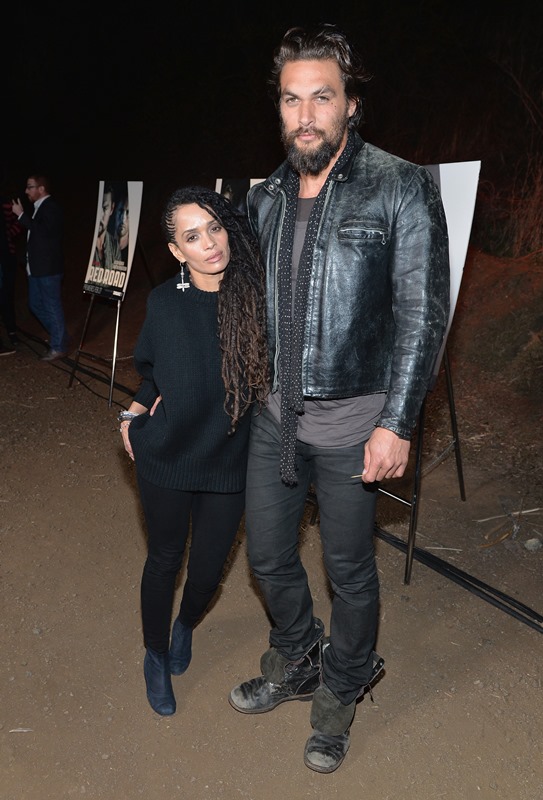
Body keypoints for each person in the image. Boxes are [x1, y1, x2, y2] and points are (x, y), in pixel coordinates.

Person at [228, 24, 450, 774]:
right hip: (274, 417)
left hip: (358, 425)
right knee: (266, 556)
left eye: (322, 96)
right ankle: (296, 658)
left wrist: (397, 422)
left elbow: (423, 313)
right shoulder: (263, 195)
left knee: (349, 573)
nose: (306, 115)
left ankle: (342, 688)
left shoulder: (401, 184)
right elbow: (237, 309)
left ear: (351, 104)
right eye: (291, 100)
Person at [119, 186, 269, 716]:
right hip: (168, 457)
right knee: (164, 560)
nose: (210, 244)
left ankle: (186, 624)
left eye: (215, 228)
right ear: (177, 251)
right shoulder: (163, 303)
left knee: (206, 571)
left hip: (229, 461)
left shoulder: (256, 298)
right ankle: (155, 655)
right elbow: (152, 373)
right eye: (192, 237)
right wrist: (131, 414)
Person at [11, 175, 69, 361]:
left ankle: (59, 346)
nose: (26, 191)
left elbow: (43, 233)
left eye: (30, 187)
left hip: (48, 269)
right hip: (36, 269)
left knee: (52, 306)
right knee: (35, 304)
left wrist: (21, 215)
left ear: (41, 189)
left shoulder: (51, 207)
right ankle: (60, 336)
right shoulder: (39, 208)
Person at [0, 193, 23, 354]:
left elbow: (18, 223)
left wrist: (7, 235)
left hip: (6, 257)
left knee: (7, 296)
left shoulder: (4, 203)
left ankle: (12, 331)